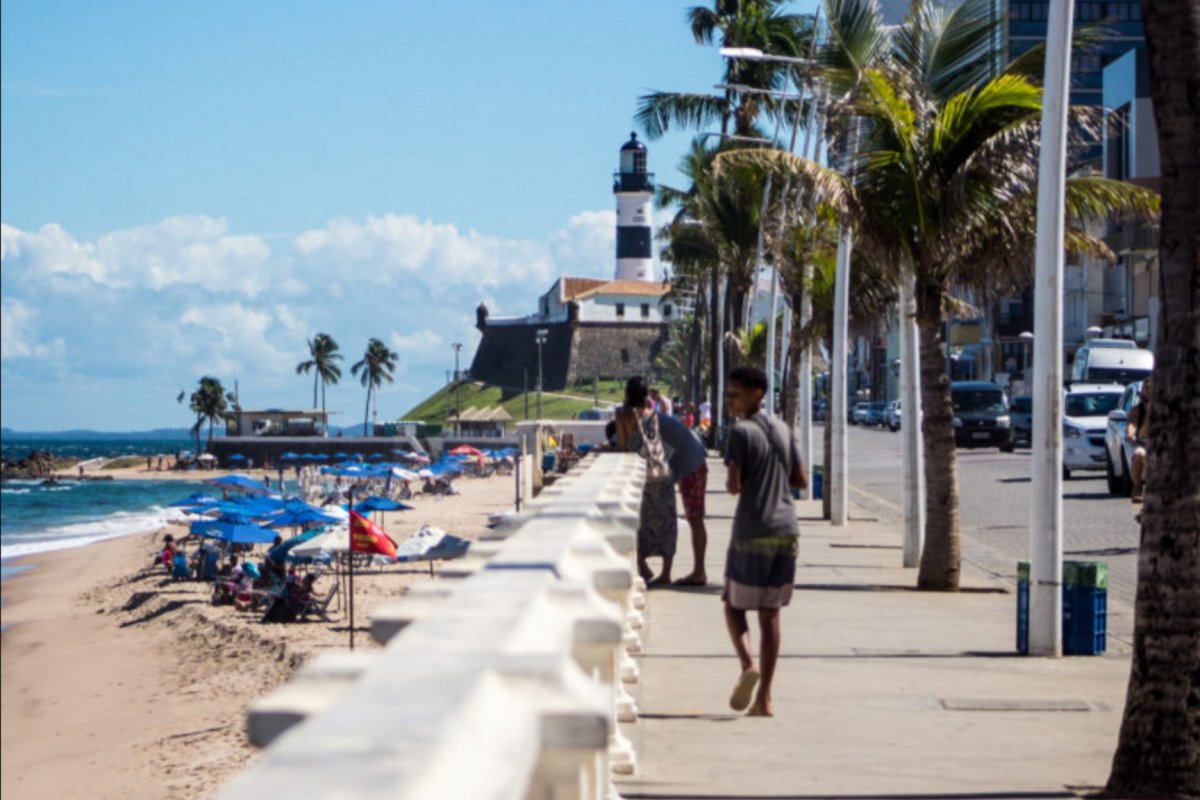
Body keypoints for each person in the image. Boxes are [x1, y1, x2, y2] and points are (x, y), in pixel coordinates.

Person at [722, 366, 807, 717]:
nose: (729, 401)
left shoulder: (740, 432)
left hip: (752, 529)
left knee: (732, 602)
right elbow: (800, 479)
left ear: (757, 393)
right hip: (786, 530)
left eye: (735, 394)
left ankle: (748, 665)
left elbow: (733, 485)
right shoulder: (784, 429)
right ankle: (765, 699)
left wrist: (746, 478)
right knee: (771, 616)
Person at [615, 377, 678, 585]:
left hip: (639, 475)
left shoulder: (623, 415)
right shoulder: (653, 414)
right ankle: (667, 572)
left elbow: (623, 447)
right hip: (661, 473)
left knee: (638, 523)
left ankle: (642, 566)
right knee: (666, 523)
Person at [657, 410, 709, 586]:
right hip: (695, 462)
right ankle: (698, 570)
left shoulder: (650, 422)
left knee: (695, 519)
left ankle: (699, 572)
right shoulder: (658, 418)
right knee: (696, 519)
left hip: (691, 468)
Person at [1126, 378, 1152, 504]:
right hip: (1144, 443)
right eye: (1146, 388)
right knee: (1139, 455)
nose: (1149, 391)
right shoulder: (1138, 409)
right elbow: (1132, 423)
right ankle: (1137, 486)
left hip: (1165, 443)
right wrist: (1131, 432)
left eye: (1151, 388)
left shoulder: (1166, 408)